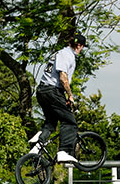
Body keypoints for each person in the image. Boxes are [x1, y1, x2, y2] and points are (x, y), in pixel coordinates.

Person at [36, 33, 87, 163]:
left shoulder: (59, 53)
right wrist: (70, 95)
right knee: (69, 121)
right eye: (82, 47)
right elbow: (63, 78)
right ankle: (63, 151)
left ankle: (37, 145)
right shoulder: (67, 55)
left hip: (43, 90)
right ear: (79, 46)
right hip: (51, 90)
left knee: (51, 121)